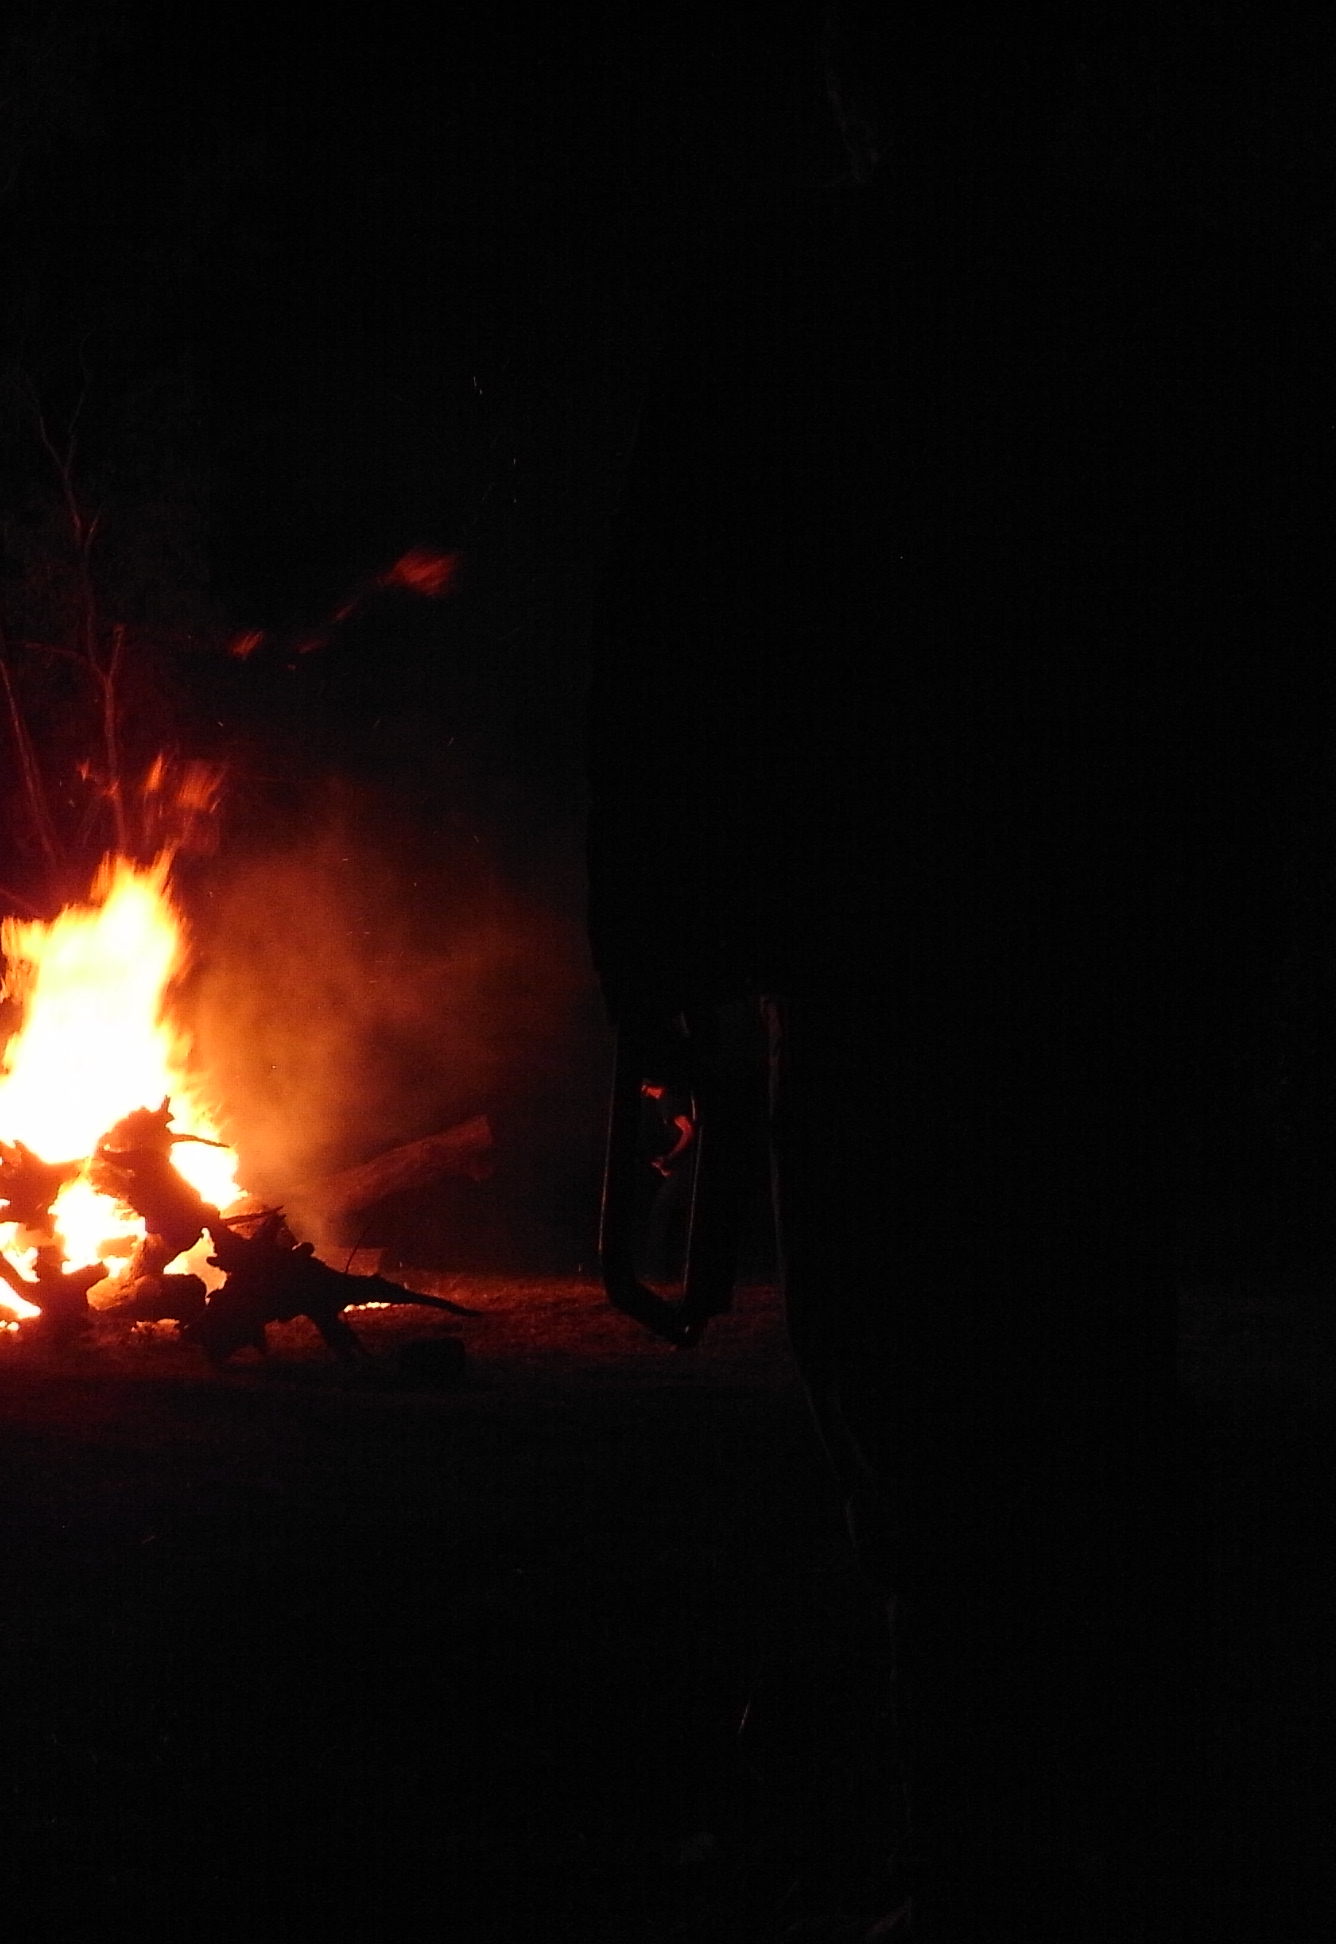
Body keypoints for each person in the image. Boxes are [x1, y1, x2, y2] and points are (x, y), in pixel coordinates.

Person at [588, 11, 1328, 1937]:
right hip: (1084, 968)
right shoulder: (1155, 307)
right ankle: (1083, 1834)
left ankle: (994, 1846)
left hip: (895, 971)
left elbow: (665, 653)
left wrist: (658, 953)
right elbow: (1254, 662)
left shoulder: (790, 305)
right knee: (1080, 1391)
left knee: (920, 1397)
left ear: (867, 90)